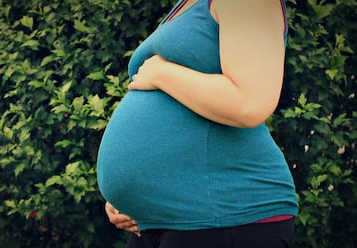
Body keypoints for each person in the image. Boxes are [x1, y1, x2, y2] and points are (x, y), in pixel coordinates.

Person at [96, 0, 299, 247]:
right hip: (167, 222)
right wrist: (134, 199)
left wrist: (161, 73)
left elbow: (250, 103)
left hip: (227, 216)